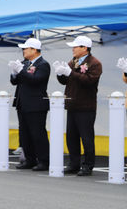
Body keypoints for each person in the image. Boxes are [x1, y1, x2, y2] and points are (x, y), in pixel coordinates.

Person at [53, 36, 102, 176]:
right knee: (71, 137)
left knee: (86, 137)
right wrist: (60, 73)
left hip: (86, 106)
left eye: (76, 46)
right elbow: (66, 81)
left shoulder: (94, 63)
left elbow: (89, 81)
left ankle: (88, 165)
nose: (73, 49)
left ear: (85, 48)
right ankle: (73, 163)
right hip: (72, 103)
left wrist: (70, 73)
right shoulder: (73, 61)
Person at [8, 38, 50, 172]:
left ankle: (43, 161)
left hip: (36, 104)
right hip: (22, 103)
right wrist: (14, 73)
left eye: (26, 48)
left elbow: (35, 80)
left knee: (38, 134)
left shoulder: (43, 64)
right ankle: (29, 159)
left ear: (34, 50)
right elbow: (15, 82)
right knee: (24, 134)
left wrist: (21, 71)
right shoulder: (24, 63)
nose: (23, 51)